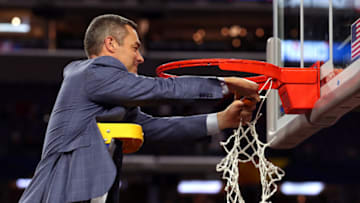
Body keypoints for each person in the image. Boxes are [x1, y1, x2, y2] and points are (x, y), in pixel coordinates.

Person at [19, 14, 259, 203]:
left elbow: (156, 128)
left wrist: (221, 120)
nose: (140, 57)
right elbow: (159, 89)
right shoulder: (90, 72)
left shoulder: (109, 95)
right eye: (135, 47)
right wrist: (225, 84)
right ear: (110, 44)